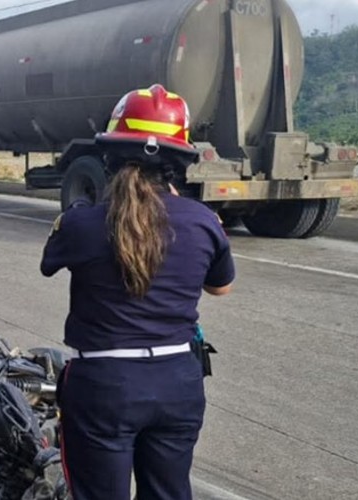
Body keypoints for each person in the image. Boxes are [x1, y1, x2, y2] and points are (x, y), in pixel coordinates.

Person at [41, 84, 235, 500]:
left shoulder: (81, 223)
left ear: (110, 156)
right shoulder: (203, 221)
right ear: (178, 163)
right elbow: (221, 287)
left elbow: (49, 264)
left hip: (104, 384)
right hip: (178, 381)